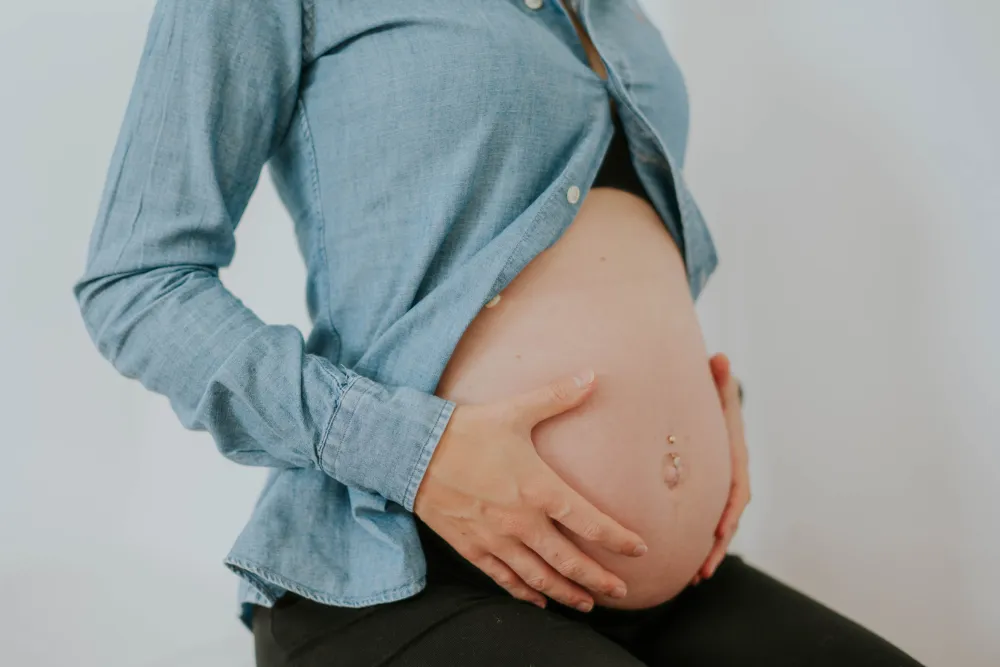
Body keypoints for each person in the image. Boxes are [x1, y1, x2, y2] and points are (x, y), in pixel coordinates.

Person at [73, 1, 925, 665]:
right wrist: (418, 454)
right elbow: (139, 282)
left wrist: (701, 403)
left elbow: (581, 250)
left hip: (655, 582)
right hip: (406, 567)